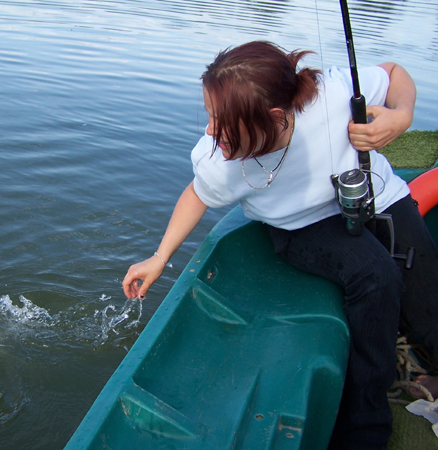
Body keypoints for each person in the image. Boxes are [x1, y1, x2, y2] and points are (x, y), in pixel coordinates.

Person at [122, 40, 438, 450]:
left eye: (222, 120)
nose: (209, 130)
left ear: (274, 116)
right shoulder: (219, 158)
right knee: (376, 276)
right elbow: (197, 194)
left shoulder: (332, 93)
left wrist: (401, 115)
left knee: (426, 288)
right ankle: (365, 426)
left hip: (377, 194)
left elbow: (395, 73)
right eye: (209, 114)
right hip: (301, 226)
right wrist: (159, 257)